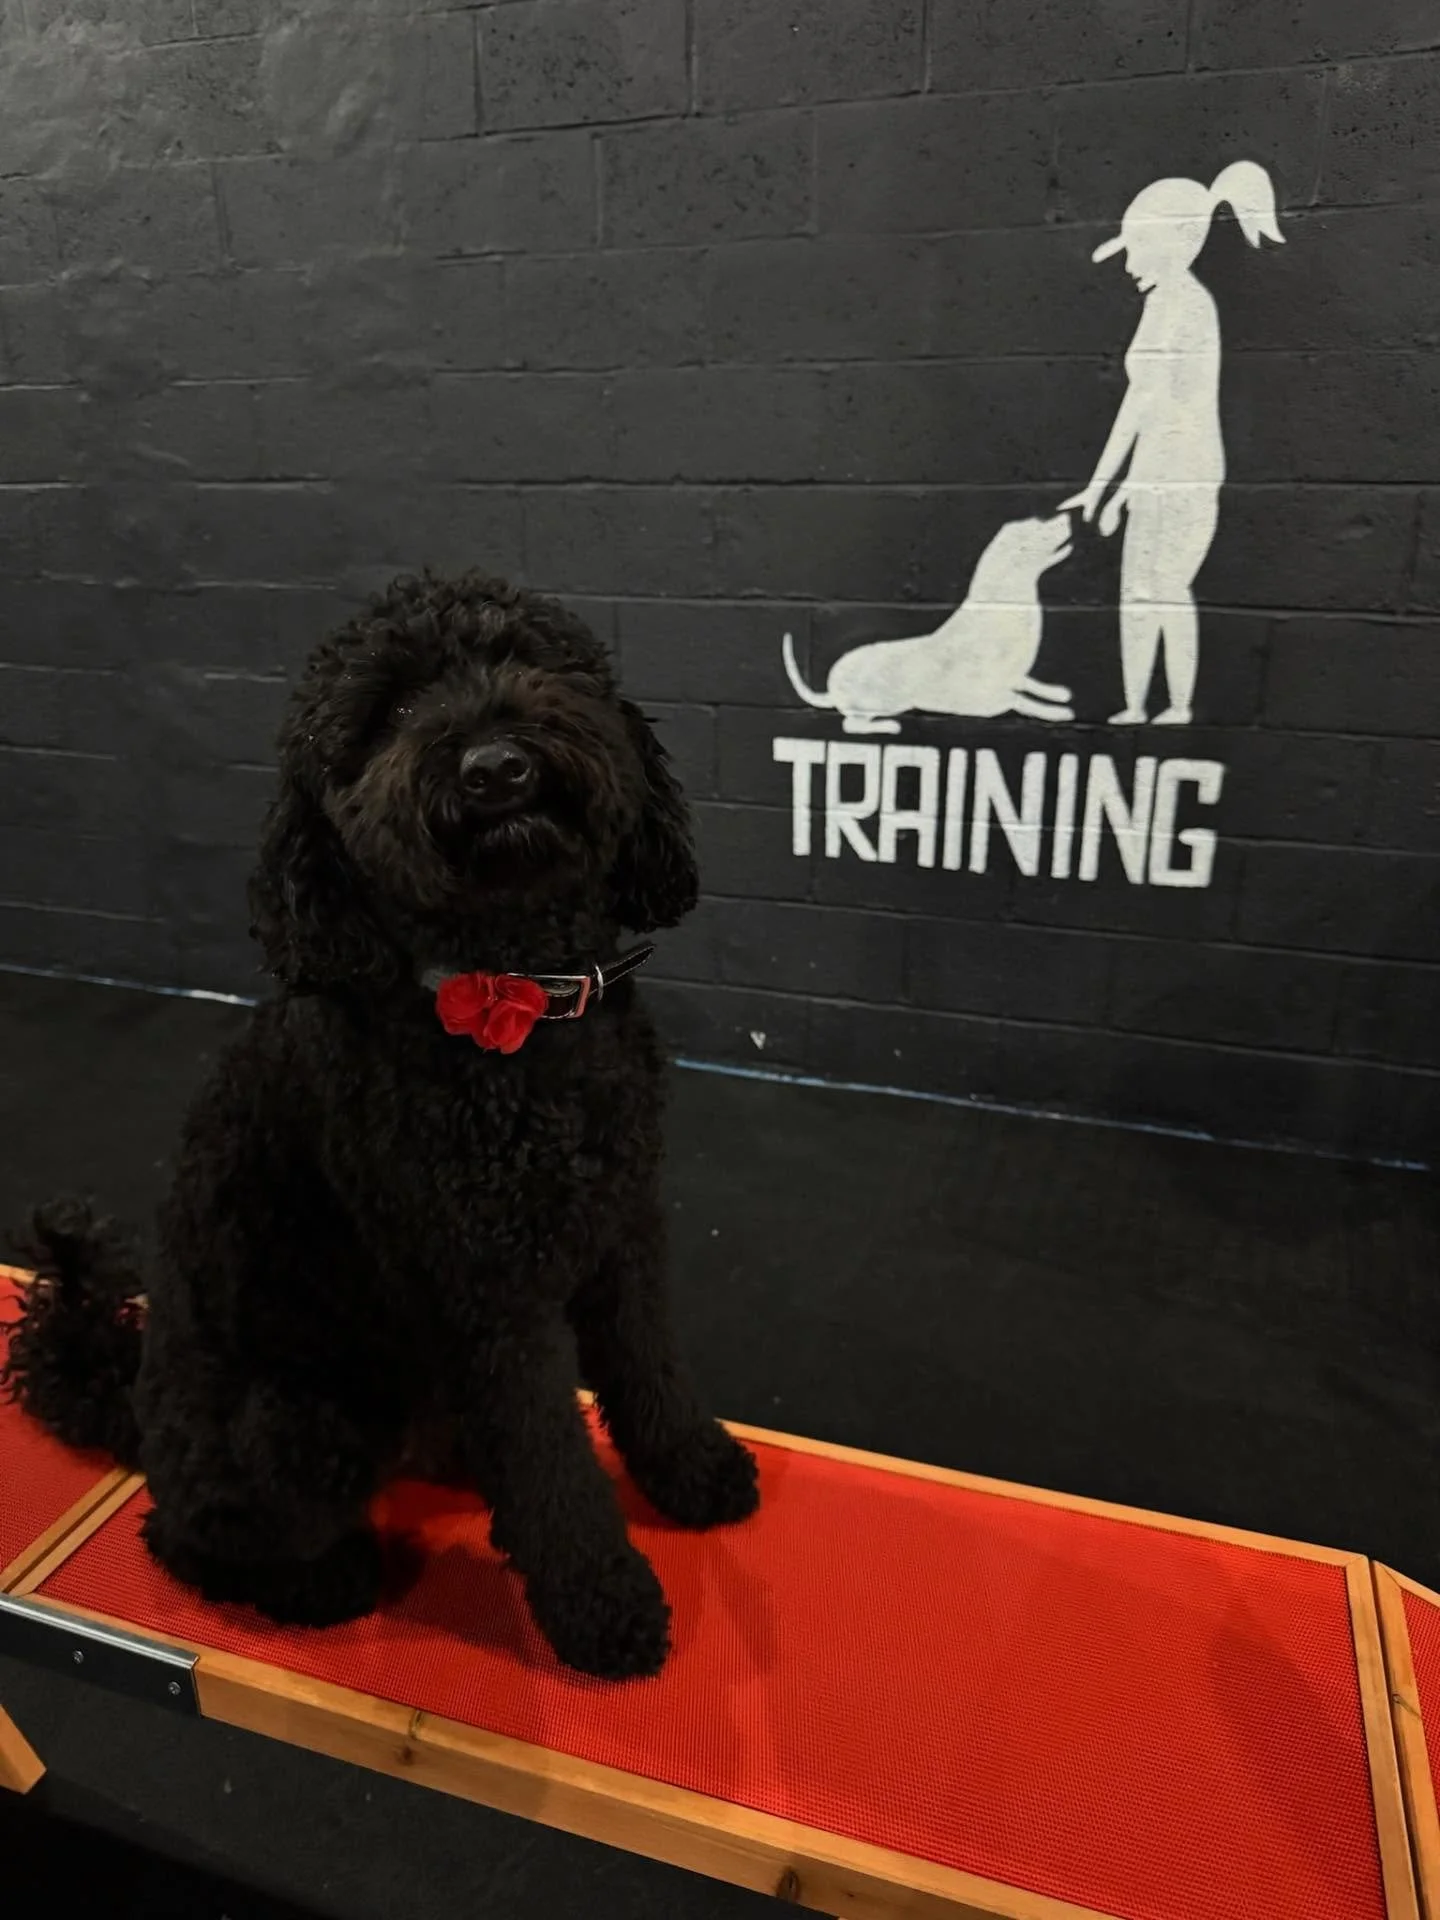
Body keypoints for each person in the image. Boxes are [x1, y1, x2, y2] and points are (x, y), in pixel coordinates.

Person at [1061, 161, 1283, 724]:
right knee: (1136, 591)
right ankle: (1137, 705)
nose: (1129, 262)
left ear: (1170, 244)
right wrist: (1098, 488)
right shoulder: (1162, 303)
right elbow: (1137, 404)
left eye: (1136, 248)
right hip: (1156, 472)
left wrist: (1115, 491)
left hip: (1183, 471)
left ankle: (1177, 706)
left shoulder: (1185, 305)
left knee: (1164, 587)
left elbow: (1160, 407)